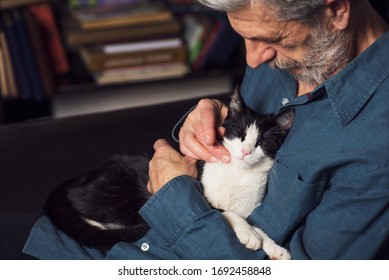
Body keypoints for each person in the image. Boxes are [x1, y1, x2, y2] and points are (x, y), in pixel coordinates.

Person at [23, 0, 389, 259]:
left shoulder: (377, 145)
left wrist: (175, 200)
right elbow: (240, 127)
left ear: (337, 9)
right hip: (92, 238)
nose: (252, 60)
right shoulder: (279, 42)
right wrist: (205, 120)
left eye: (273, 40)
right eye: (243, 36)